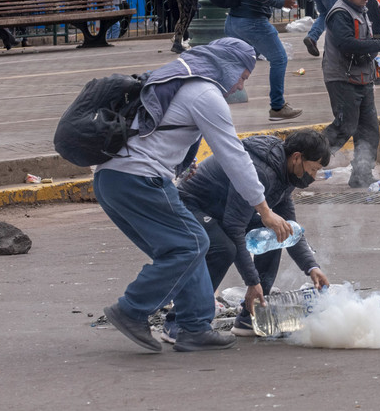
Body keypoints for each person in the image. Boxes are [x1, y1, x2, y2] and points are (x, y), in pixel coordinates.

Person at [95, 37, 294, 353]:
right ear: (228, 67)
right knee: (193, 243)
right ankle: (132, 310)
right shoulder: (204, 93)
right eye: (243, 75)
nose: (242, 84)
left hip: (113, 180)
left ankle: (195, 327)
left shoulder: (183, 83)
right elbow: (233, 155)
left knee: (185, 248)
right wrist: (264, 209)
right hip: (137, 179)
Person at [160, 130, 332, 343]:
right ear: (297, 157)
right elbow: (234, 227)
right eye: (313, 169)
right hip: (191, 205)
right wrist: (252, 281)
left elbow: (289, 228)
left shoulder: (286, 172)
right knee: (222, 248)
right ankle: (180, 321)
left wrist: (311, 267)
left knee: (277, 232)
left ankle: (250, 315)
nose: (313, 177)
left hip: (224, 211)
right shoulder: (262, 171)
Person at [320, 0, 380, 189]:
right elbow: (347, 44)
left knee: (369, 130)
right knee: (345, 126)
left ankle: (362, 174)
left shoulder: (361, 10)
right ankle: (305, 162)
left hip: (362, 78)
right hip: (342, 78)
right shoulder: (340, 13)